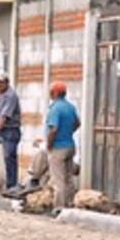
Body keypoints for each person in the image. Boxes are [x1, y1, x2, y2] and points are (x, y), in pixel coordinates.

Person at [46, 81, 80, 209]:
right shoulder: (70, 107)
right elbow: (78, 123)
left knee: (58, 179)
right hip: (70, 145)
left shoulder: (55, 108)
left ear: (54, 93)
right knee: (68, 177)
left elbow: (53, 129)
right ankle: (69, 202)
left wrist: (49, 144)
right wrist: (68, 132)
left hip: (58, 147)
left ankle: (59, 207)